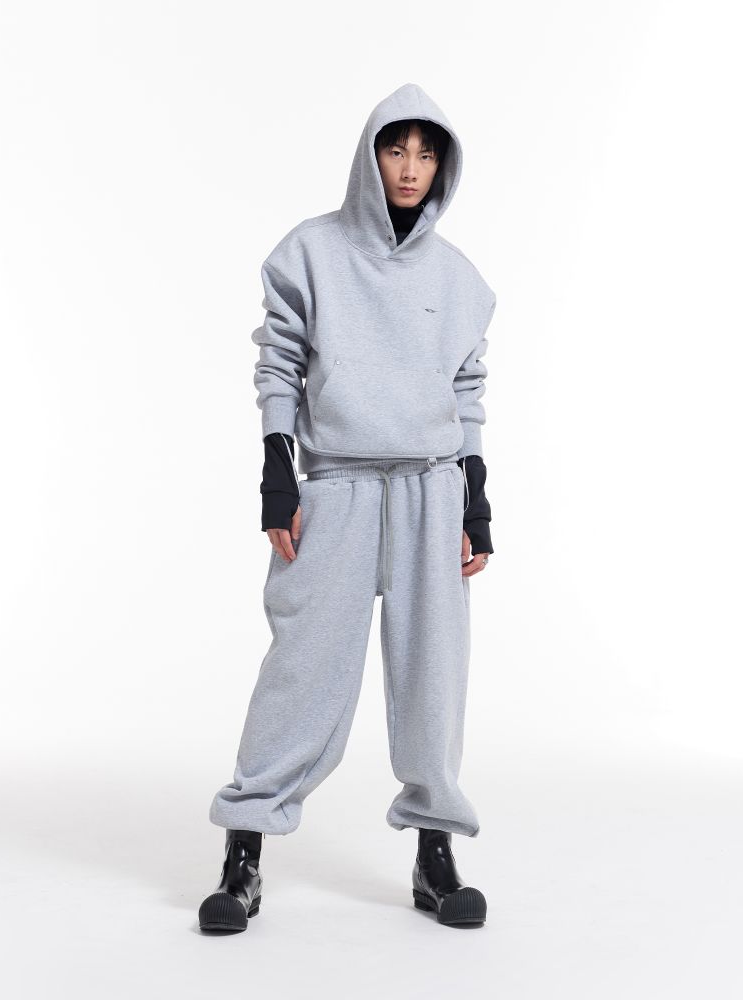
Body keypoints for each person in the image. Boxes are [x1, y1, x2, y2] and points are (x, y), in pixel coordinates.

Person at [199, 82, 497, 934]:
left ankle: (435, 854)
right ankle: (244, 851)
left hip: (431, 488)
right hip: (335, 485)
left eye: (426, 153)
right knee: (302, 669)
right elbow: (279, 363)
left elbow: (468, 390)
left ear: (443, 166)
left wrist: (475, 498)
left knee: (434, 673)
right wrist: (278, 470)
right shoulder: (310, 252)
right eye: (395, 149)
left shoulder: (460, 278)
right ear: (371, 156)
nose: (409, 167)